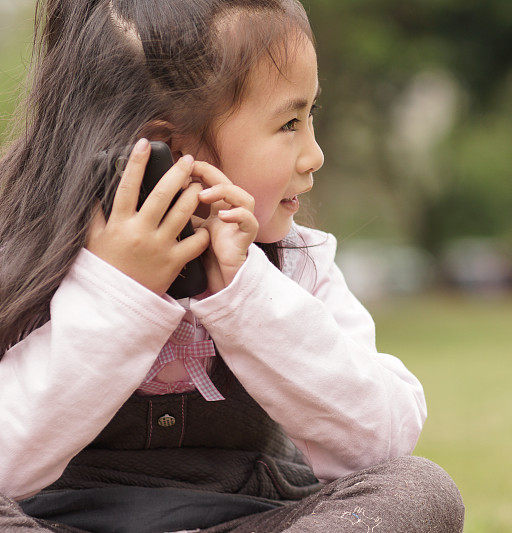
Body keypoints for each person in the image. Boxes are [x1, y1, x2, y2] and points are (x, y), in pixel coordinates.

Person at [0, 0, 465, 531]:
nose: (315, 154)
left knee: (419, 491)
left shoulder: (297, 266)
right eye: (290, 123)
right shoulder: (22, 255)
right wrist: (117, 295)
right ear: (164, 148)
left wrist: (251, 297)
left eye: (311, 116)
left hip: (253, 518)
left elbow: (381, 442)